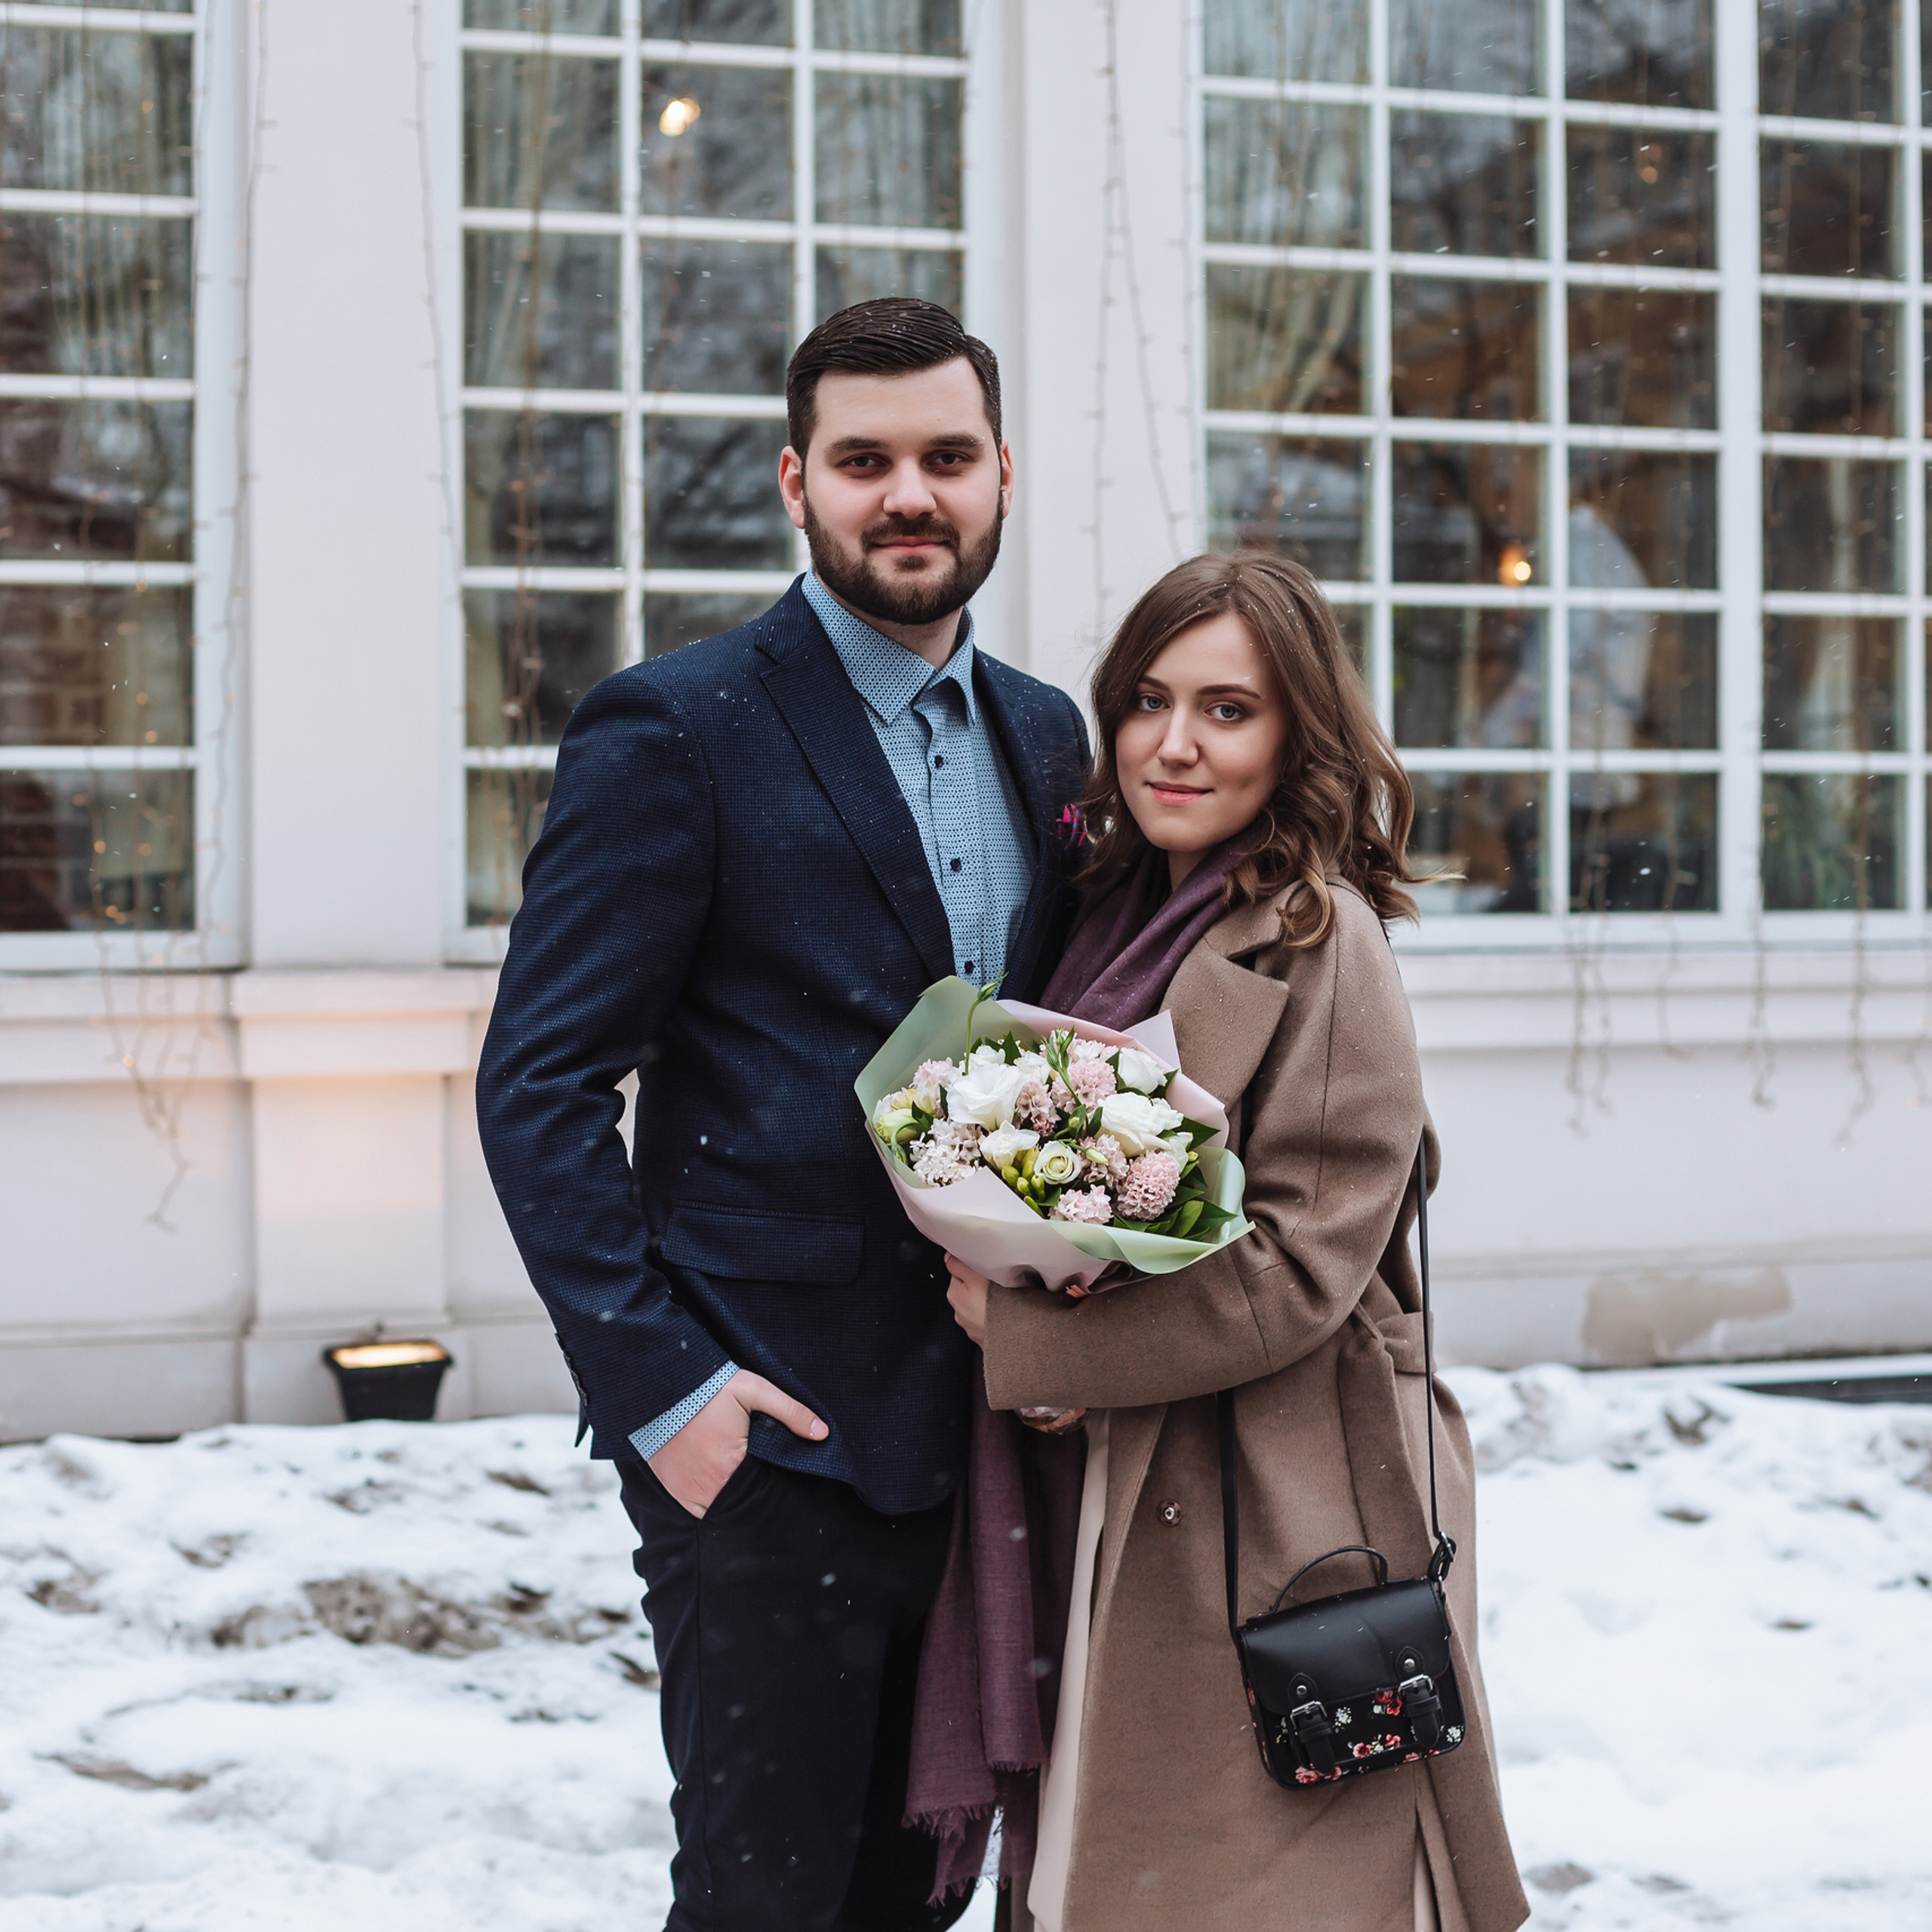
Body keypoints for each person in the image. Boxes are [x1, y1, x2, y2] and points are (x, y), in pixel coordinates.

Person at [475, 297, 1090, 1932]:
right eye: (865, 459)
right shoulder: (674, 727)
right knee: (763, 1900)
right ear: (793, 481)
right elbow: (537, 1083)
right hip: (768, 1450)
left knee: (913, 1895)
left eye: (945, 456)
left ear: (1001, 474)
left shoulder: (1048, 735)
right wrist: (669, 1390)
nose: (910, 493)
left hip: (986, 1438)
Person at [942, 552, 1529, 1932]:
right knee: (1111, 1848)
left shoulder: (1326, 946)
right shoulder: (1102, 910)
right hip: (1114, 1469)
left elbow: (1300, 1268)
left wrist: (1034, 1335)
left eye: (1228, 710)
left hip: (1274, 1489)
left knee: (1250, 1876)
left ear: (1296, 735)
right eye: (1148, 700)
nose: (1176, 743)